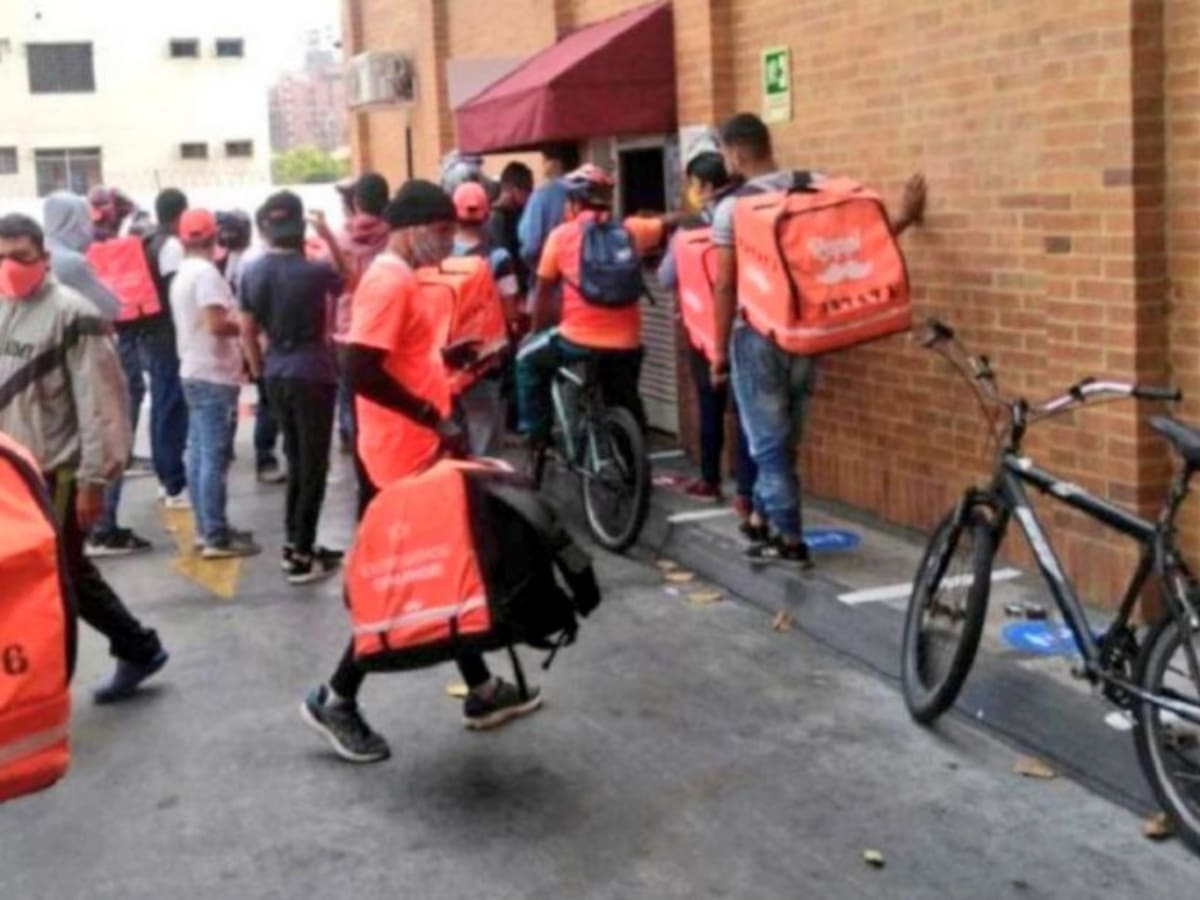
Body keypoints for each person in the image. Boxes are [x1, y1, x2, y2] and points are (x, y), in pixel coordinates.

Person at [300, 180, 541, 764]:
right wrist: (431, 414)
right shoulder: (388, 279)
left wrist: (445, 362)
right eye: (440, 231)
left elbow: (398, 358)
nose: (447, 242)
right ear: (411, 228)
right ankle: (336, 697)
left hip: (413, 445)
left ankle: (481, 690)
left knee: (445, 566)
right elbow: (359, 369)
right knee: (410, 577)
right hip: (401, 452)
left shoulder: (400, 279)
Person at [711, 112, 927, 566]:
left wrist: (716, 352)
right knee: (786, 441)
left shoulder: (733, 207)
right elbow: (856, 248)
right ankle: (762, 524)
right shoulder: (817, 187)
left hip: (757, 336)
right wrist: (905, 217)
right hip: (810, 333)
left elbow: (726, 285)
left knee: (768, 447)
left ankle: (790, 538)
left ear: (735, 153)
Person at [0, 213, 168, 703]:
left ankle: (49, 688)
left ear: (45, 259)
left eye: (22, 257)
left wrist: (95, 480)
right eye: (2, 256)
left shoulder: (75, 314)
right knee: (65, 568)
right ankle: (138, 646)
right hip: (15, 471)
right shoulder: (5, 306)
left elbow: (102, 405)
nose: (11, 266)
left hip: (61, 471)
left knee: (54, 578)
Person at [516, 164, 665, 452]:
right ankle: (633, 465)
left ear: (572, 204)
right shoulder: (632, 230)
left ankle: (537, 436)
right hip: (627, 342)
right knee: (622, 396)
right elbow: (671, 223)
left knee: (526, 360)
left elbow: (544, 294)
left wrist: (536, 331)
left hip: (576, 340)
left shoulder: (561, 236)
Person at [240, 191, 346, 585]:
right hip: (313, 370)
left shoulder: (252, 272)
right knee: (312, 466)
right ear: (301, 226)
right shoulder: (315, 271)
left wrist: (258, 373)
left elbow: (247, 331)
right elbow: (350, 279)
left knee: (294, 459)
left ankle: (294, 543)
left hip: (277, 372)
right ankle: (301, 553)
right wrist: (329, 235)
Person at [43, 192, 156, 557]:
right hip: (82, 363)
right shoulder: (71, 262)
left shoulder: (39, 253)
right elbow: (110, 305)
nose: (90, 226)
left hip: (42, 373)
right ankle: (100, 527)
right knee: (104, 437)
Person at [657, 152, 763, 530]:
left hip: (703, 333)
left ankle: (710, 480)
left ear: (701, 186)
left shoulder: (684, 233)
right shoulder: (746, 216)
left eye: (691, 183)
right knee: (748, 415)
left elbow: (666, 278)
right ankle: (747, 493)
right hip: (748, 327)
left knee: (709, 407)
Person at [91, 187, 192, 510]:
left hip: (148, 331)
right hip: (168, 336)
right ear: (182, 214)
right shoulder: (171, 246)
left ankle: (168, 477)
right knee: (170, 406)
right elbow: (176, 295)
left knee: (164, 403)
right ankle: (173, 482)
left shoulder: (147, 240)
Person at [170, 209, 259, 559]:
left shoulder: (183, 273)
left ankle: (206, 527)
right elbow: (216, 324)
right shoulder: (207, 274)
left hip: (193, 370)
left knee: (199, 453)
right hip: (213, 373)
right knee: (213, 455)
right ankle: (216, 535)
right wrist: (250, 327)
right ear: (215, 238)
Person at [451, 181, 519, 456]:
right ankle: (483, 496)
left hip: (446, 360)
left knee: (451, 439)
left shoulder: (437, 256)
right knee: (485, 438)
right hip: (485, 360)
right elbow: (510, 312)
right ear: (487, 214)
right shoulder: (499, 257)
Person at [335, 172, 391, 452]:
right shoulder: (393, 236)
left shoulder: (340, 238)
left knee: (349, 391)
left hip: (347, 327)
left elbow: (331, 284)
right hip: (384, 324)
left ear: (356, 202)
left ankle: (351, 435)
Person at [517, 143, 580, 288]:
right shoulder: (586, 193)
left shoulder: (542, 196)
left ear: (553, 163)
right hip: (582, 286)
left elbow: (530, 247)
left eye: (544, 160)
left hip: (549, 286)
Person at [488, 161, 534, 298]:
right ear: (512, 189)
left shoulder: (522, 212)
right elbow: (502, 257)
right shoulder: (497, 216)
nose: (530, 195)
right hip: (509, 290)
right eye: (528, 190)